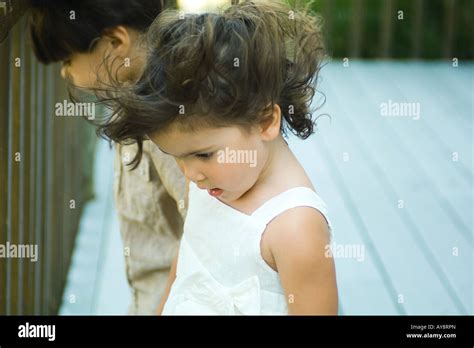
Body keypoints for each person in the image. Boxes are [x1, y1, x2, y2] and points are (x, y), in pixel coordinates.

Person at [101, 0, 338, 315]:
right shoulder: (213, 183)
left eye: (203, 154)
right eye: (179, 158)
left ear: (266, 121)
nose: (190, 174)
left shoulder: (294, 228)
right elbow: (186, 267)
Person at [28, 0, 187, 314]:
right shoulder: (137, 97)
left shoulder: (173, 121)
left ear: (116, 42)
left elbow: (208, 231)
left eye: (68, 58)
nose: (64, 72)